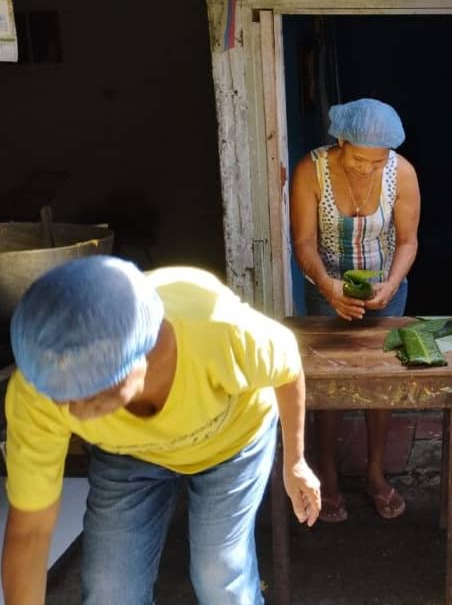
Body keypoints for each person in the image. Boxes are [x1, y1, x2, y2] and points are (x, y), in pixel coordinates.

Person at [2, 255, 321, 604]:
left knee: (220, 575)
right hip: (128, 454)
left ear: (145, 354)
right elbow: (30, 534)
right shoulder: (39, 387)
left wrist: (295, 461)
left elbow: (288, 366)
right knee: (111, 589)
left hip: (232, 441)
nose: (74, 412)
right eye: (61, 397)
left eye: (92, 395)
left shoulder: (216, 330)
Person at [289, 97, 421, 522]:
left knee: (380, 385)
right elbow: (304, 244)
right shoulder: (312, 171)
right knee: (327, 386)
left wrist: (392, 284)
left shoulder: (402, 174)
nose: (367, 168)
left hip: (385, 289)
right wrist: (328, 288)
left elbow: (407, 242)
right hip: (325, 290)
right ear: (340, 141)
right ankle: (327, 473)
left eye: (377, 161)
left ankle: (375, 472)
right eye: (359, 159)